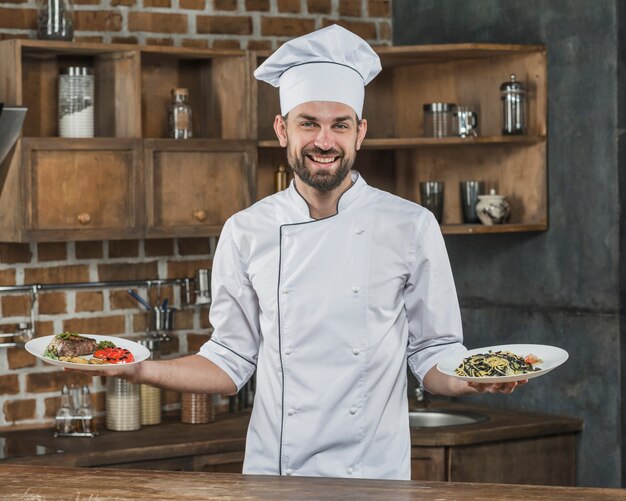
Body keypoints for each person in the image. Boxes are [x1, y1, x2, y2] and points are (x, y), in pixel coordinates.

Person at [73, 25, 524, 480]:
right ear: (282, 129)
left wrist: (468, 379)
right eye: (308, 123)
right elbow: (229, 362)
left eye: (339, 125)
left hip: (373, 476)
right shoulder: (246, 231)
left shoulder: (410, 226)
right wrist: (140, 371)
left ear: (360, 133)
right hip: (275, 474)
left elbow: (433, 353)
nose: (323, 141)